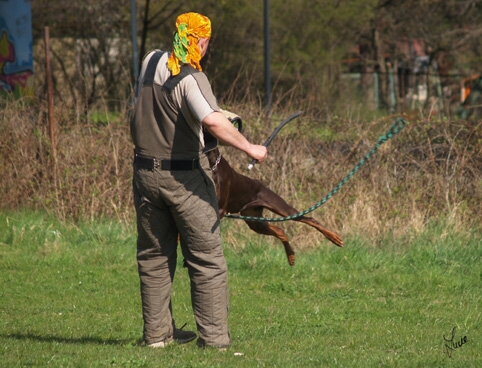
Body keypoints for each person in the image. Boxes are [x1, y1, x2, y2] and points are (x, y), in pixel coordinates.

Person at [130, 12, 267, 349]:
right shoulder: (193, 77)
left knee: (154, 256)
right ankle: (216, 341)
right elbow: (210, 120)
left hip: (145, 173)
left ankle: (156, 337)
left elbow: (170, 107)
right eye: (207, 42)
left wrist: (223, 116)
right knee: (206, 260)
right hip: (185, 178)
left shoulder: (150, 61)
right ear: (202, 41)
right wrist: (251, 148)